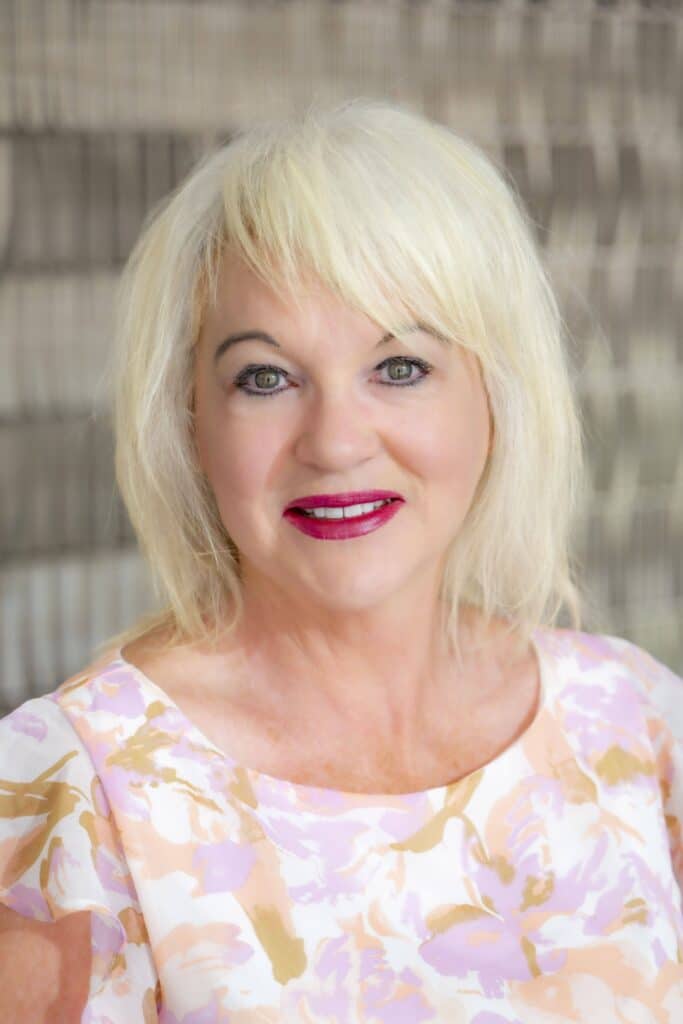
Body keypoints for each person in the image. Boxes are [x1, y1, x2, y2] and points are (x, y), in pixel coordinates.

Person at [1, 97, 681, 1023]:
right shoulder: (72, 787)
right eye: (264, 377)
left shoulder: (639, 726)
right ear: (188, 424)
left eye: (398, 366)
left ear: (496, 397)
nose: (334, 442)